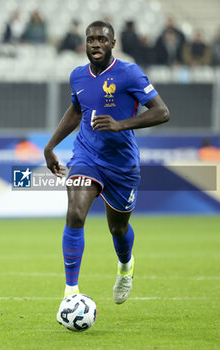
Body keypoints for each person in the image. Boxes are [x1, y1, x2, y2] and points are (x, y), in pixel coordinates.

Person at [44, 21, 169, 319]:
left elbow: (162, 112)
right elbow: (76, 110)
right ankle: (70, 292)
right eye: (91, 39)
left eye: (102, 39)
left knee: (118, 228)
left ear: (113, 44)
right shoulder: (77, 76)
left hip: (122, 165)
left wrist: (120, 124)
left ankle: (125, 265)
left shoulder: (129, 73)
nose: (96, 44)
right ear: (85, 44)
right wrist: (50, 147)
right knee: (75, 212)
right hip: (86, 155)